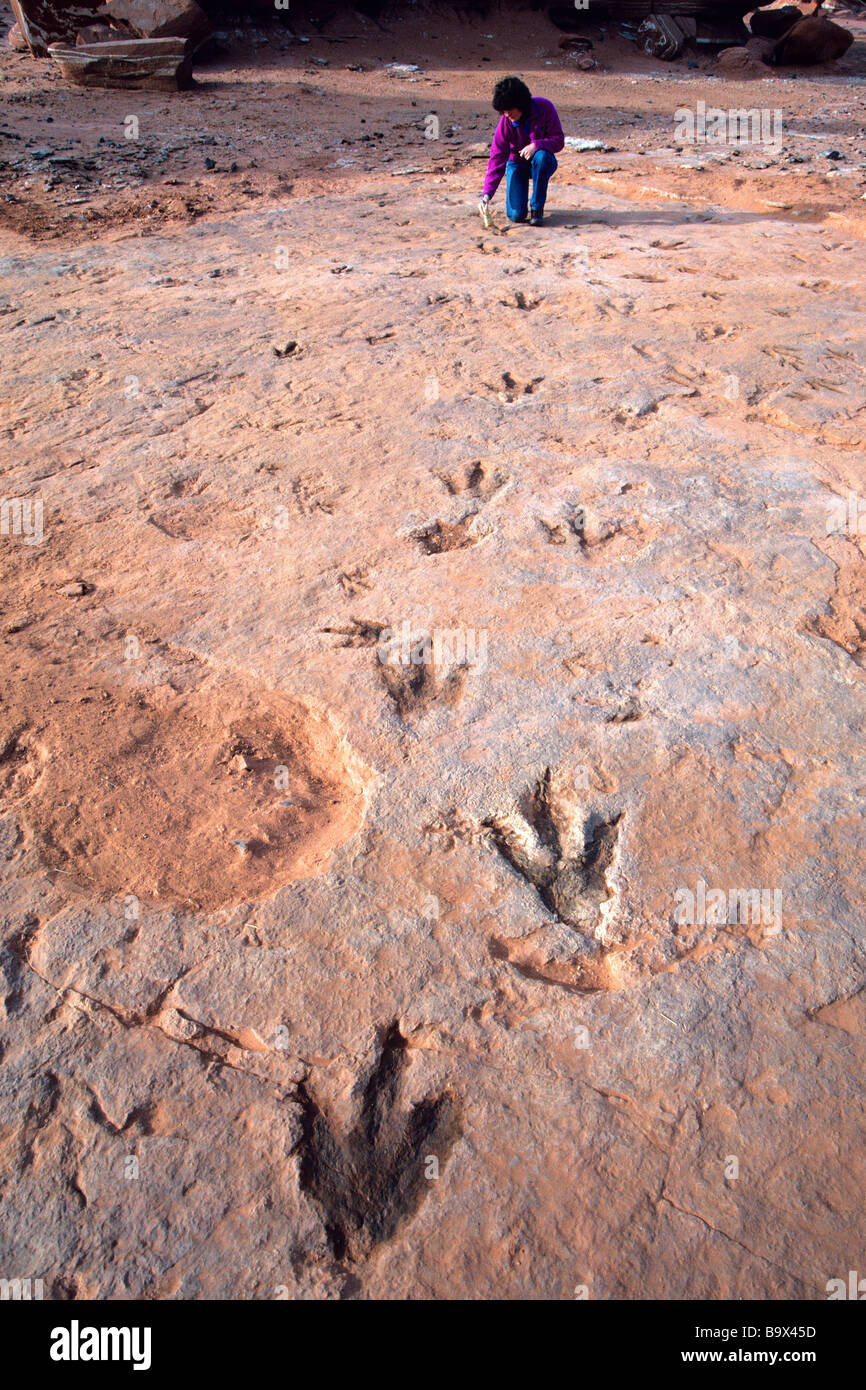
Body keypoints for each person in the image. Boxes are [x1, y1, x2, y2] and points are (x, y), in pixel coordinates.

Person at [479, 76, 565, 227]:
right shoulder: (505, 123)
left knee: (542, 157)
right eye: (504, 111)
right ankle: (522, 206)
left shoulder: (545, 107)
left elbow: (559, 141)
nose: (507, 115)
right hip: (517, 165)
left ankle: (537, 209)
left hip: (542, 162)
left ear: (521, 105)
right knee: (516, 215)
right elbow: (496, 160)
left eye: (510, 110)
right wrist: (487, 195)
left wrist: (537, 145)